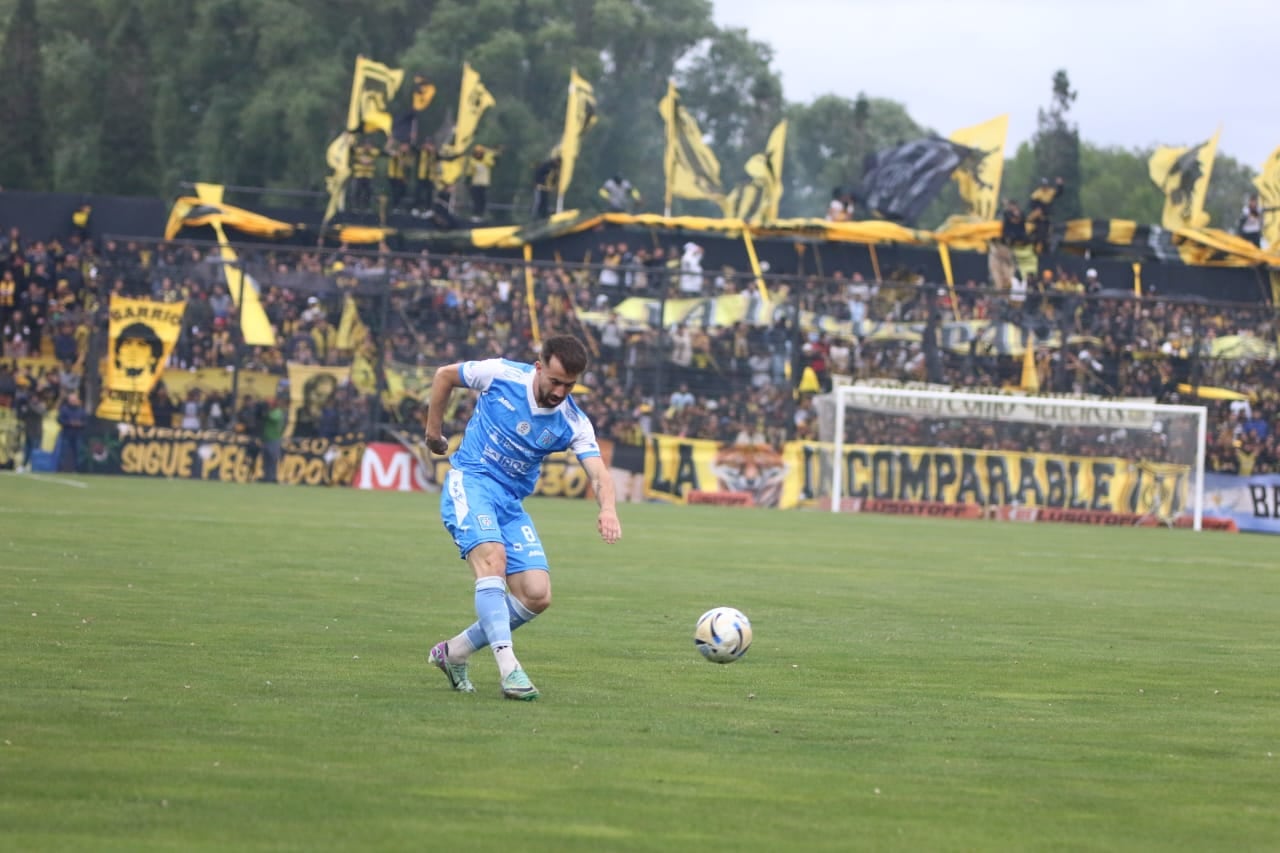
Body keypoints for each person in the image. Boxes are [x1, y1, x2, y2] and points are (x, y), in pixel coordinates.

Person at [423, 334, 622, 700]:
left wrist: (607, 508)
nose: (561, 392)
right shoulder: (500, 375)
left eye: (570, 385)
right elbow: (444, 375)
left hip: (510, 503)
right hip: (472, 482)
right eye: (555, 381)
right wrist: (434, 433)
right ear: (539, 366)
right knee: (493, 563)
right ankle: (509, 668)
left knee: (536, 594)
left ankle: (454, 653)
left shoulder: (572, 421)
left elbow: (599, 473)